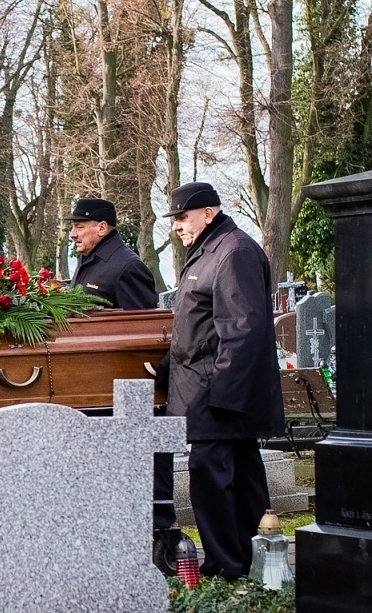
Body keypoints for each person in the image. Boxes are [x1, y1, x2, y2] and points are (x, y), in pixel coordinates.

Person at [161, 182, 284, 578]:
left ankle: (224, 566)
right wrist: (163, 370)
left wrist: (224, 396)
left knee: (212, 476)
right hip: (207, 387)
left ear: (208, 213)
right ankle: (250, 560)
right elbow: (197, 325)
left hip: (217, 392)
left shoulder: (233, 252)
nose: (177, 226)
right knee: (242, 476)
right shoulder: (210, 249)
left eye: (182, 217)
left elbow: (243, 330)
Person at [66, 197, 182, 573]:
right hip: (95, 388)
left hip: (124, 393)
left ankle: (155, 539)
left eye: (79, 226)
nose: (73, 233)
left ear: (102, 228)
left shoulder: (126, 267)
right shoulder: (90, 262)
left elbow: (142, 336)